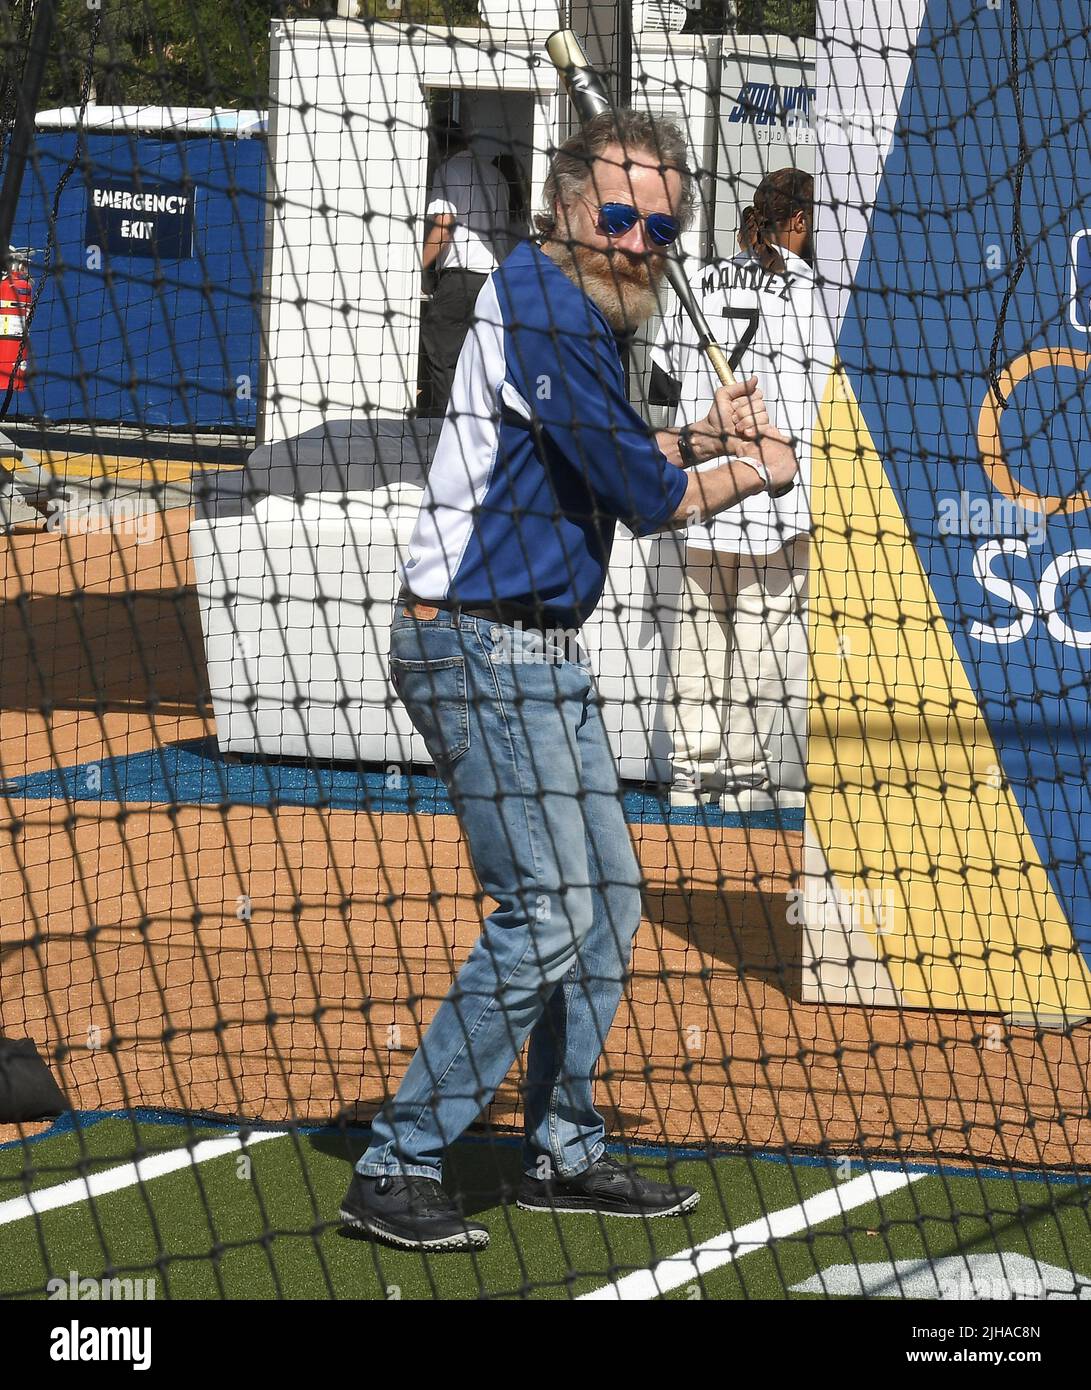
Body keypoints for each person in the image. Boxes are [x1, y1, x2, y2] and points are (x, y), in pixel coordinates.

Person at [340, 110, 798, 1253]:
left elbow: (615, 456)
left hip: (537, 651)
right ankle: (396, 1163)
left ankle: (564, 1142)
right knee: (545, 910)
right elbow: (644, 504)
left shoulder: (589, 323)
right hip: (476, 647)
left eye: (659, 223)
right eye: (617, 214)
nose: (636, 239)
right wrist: (753, 469)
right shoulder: (547, 304)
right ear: (561, 207)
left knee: (605, 904)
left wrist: (695, 433)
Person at [650, 167, 815, 812]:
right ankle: (744, 792)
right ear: (796, 221)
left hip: (705, 491)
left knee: (695, 655)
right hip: (774, 499)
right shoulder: (814, 293)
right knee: (758, 659)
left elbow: (662, 390)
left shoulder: (702, 283)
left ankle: (691, 789)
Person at [419, 119, 513, 414]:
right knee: (479, 355)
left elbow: (444, 226)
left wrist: (419, 267)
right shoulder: (495, 175)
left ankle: (449, 421)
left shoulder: (448, 172)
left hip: (461, 279)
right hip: (495, 280)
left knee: (440, 349)